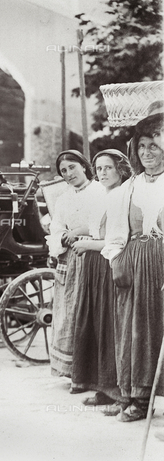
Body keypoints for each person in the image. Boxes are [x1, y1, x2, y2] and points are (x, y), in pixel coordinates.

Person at [102, 104, 164, 422]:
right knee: (131, 329)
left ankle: (146, 395)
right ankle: (131, 394)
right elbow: (115, 233)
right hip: (133, 262)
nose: (146, 152)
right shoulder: (128, 189)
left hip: (160, 263)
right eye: (141, 146)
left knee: (155, 329)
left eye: (154, 145)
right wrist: (116, 261)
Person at [70, 149, 132, 410]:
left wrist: (87, 245)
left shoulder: (122, 195)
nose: (102, 173)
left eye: (108, 168)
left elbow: (116, 240)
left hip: (109, 263)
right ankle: (101, 388)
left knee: (111, 327)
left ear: (120, 169)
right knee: (94, 324)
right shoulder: (103, 195)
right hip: (94, 266)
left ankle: (119, 392)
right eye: (99, 168)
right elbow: (96, 228)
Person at [46, 150, 104, 387]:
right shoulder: (63, 198)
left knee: (90, 313)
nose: (69, 174)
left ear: (83, 166)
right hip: (70, 261)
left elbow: (103, 222)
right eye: (64, 171)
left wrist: (79, 231)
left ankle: (92, 372)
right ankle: (72, 370)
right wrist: (62, 238)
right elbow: (56, 228)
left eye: (72, 167)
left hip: (94, 256)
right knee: (70, 313)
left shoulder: (100, 191)